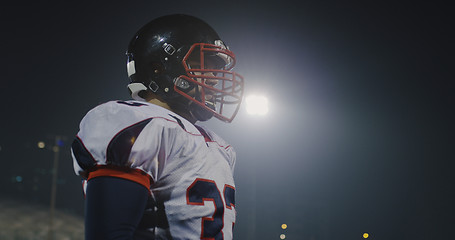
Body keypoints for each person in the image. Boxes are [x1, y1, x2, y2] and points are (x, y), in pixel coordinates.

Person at [70, 14, 244, 240]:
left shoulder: (220, 148)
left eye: (216, 69)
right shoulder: (140, 123)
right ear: (158, 69)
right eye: (202, 65)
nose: (213, 78)